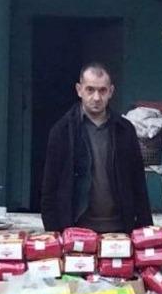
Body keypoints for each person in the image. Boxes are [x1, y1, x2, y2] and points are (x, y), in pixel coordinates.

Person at [41, 62, 153, 233]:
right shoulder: (62, 131)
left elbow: (138, 184)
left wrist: (146, 231)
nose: (96, 97)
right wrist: (54, 233)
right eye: (90, 90)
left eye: (102, 90)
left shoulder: (124, 130)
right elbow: (49, 188)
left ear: (111, 92)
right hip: (76, 230)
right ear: (79, 90)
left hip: (119, 230)